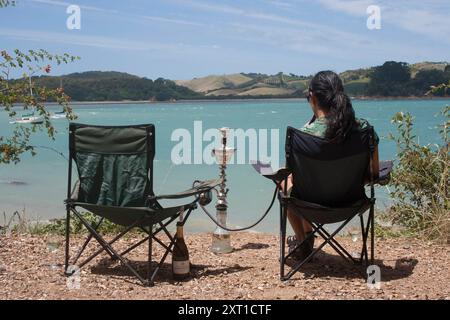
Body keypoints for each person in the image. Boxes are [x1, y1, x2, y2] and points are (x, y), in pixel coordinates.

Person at [283, 70, 379, 260]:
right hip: (351, 205)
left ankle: (304, 239)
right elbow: (374, 174)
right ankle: (307, 237)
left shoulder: (301, 136)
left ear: (312, 97)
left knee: (284, 183)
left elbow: (295, 177)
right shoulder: (364, 130)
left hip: (309, 206)